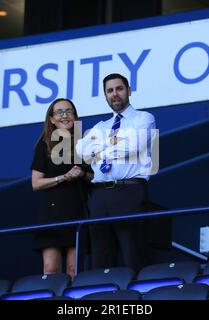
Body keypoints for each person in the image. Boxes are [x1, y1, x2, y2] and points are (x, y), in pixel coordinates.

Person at [76, 73, 156, 272]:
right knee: (100, 261)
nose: (115, 94)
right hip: (99, 195)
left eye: (119, 89)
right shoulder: (100, 126)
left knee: (133, 256)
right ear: (105, 95)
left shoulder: (144, 118)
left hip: (129, 191)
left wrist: (100, 147)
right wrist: (115, 143)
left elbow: (133, 147)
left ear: (129, 91)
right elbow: (81, 152)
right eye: (110, 91)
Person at [31, 98, 92, 280]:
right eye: (59, 112)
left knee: (74, 271)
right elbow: (36, 183)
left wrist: (81, 174)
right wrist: (63, 177)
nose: (64, 115)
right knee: (51, 270)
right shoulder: (44, 145)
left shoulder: (84, 143)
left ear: (75, 116)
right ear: (51, 119)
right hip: (52, 214)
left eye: (69, 111)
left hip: (78, 211)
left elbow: (94, 177)